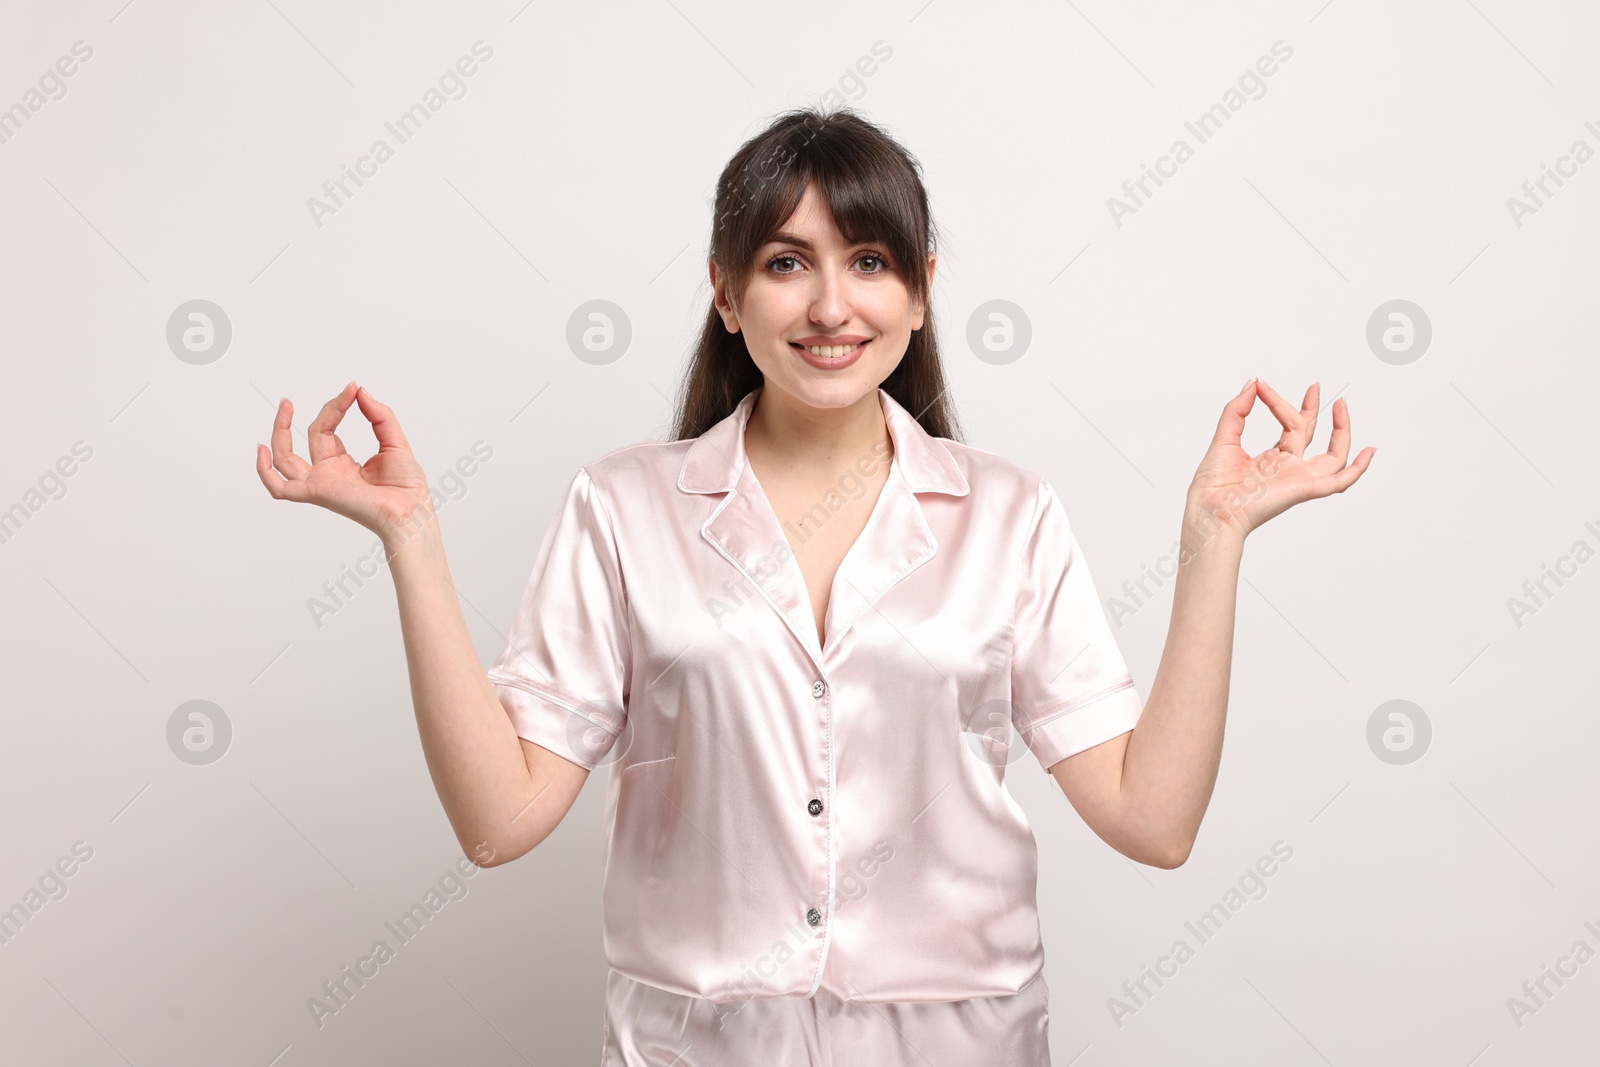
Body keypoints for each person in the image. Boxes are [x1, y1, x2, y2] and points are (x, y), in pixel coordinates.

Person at [254, 107, 1374, 1065]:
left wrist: (1213, 532)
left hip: (957, 1039)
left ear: (922, 291)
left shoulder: (1009, 512)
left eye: (870, 261)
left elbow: (1152, 817)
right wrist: (409, 536)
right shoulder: (621, 507)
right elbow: (499, 821)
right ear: (727, 294)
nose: (832, 305)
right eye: (787, 262)